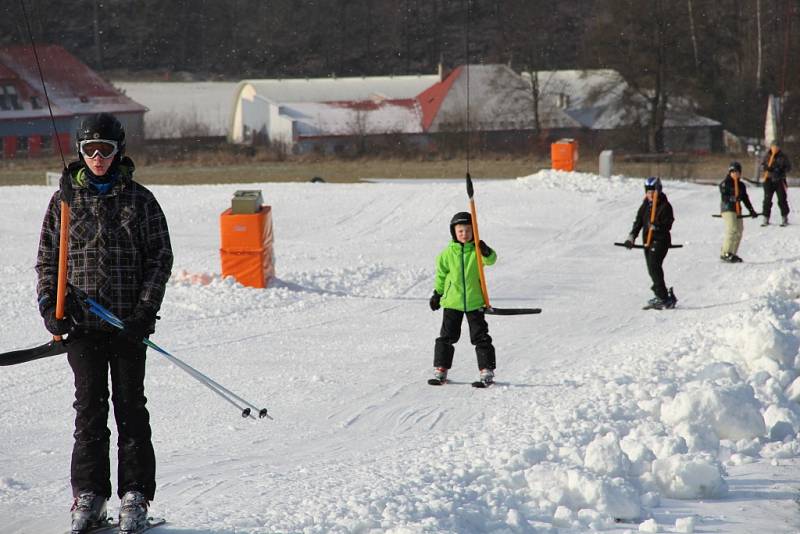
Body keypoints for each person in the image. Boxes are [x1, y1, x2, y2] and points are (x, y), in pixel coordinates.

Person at [35, 113, 173, 533]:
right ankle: (90, 495)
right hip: (81, 327)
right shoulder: (64, 202)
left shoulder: (140, 200)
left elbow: (160, 260)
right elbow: (47, 262)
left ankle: (135, 494)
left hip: (128, 325)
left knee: (131, 407)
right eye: (91, 150)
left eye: (106, 150)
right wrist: (49, 306)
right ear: (80, 152)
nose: (98, 158)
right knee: (89, 410)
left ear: (119, 151)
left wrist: (144, 313)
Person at [429, 212, 497, 385]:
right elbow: (441, 275)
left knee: (480, 336)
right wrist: (437, 293)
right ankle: (440, 370)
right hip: (452, 302)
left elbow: (491, 260)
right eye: (460, 231)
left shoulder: (477, 250)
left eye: (468, 230)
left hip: (475, 302)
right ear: (454, 233)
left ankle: (486, 370)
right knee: (446, 336)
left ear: (473, 231)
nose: (464, 234)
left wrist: (486, 251)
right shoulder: (447, 254)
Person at [623, 177, 677, 310]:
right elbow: (638, 222)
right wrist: (631, 237)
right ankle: (663, 295)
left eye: (653, 192)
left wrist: (657, 227)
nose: (650, 195)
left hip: (660, 241)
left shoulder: (665, 206)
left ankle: (663, 297)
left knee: (654, 265)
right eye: (648, 192)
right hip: (647, 241)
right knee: (651, 270)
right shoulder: (646, 205)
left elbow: (668, 224)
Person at [719, 161, 757, 263]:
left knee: (739, 231)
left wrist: (751, 210)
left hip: (737, 210)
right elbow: (724, 196)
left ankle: (732, 253)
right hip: (728, 209)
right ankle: (725, 252)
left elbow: (745, 199)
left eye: (737, 172)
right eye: (733, 171)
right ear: (729, 172)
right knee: (732, 229)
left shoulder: (741, 185)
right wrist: (732, 198)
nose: (735, 174)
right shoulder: (725, 183)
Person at [760, 140, 792, 226]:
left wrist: (780, 169)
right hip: (768, 180)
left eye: (777, 146)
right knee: (767, 200)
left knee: (782, 199)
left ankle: (784, 217)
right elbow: (762, 166)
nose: (775, 148)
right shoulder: (767, 156)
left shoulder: (783, 156)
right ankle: (766, 217)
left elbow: (788, 167)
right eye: (773, 146)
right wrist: (766, 168)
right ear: (770, 147)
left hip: (779, 180)